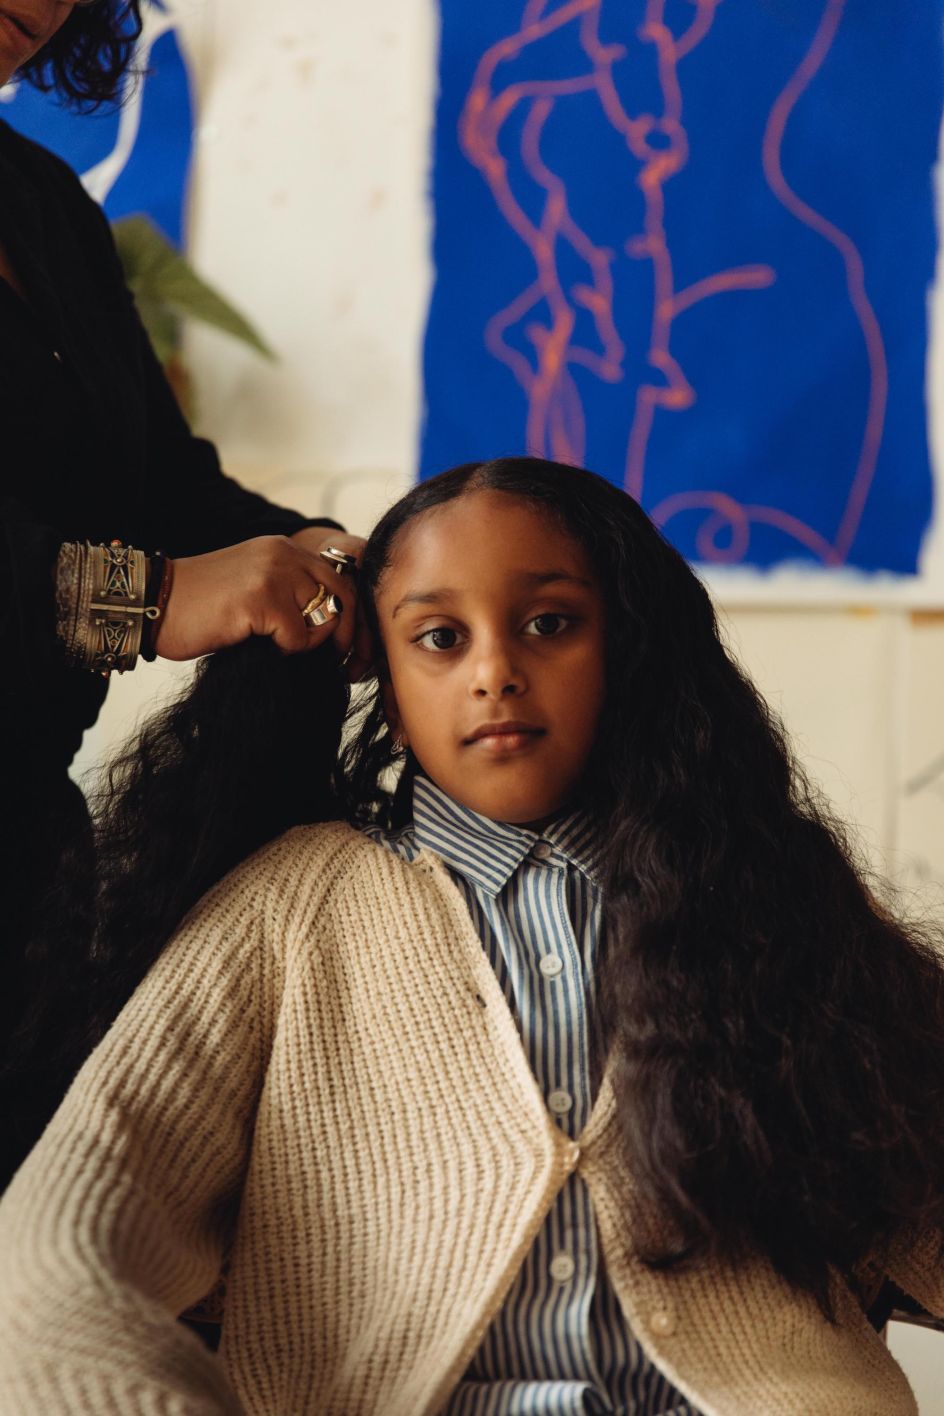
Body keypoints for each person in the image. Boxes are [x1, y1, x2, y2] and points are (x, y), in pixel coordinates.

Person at [2, 458, 944, 1414]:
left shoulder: (767, 898)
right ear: (391, 691)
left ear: (632, 653)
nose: (495, 670)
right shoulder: (286, 912)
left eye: (550, 624)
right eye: (440, 638)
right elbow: (62, 1242)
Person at [0, 0, 367, 1185]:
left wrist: (332, 560)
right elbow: (155, 568)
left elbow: (159, 489)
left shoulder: (45, 208)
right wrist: (142, 602)